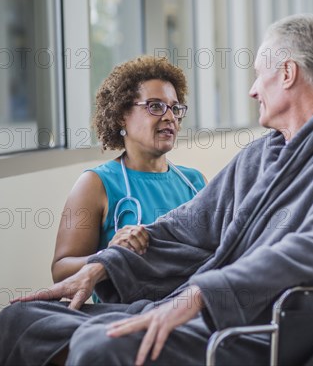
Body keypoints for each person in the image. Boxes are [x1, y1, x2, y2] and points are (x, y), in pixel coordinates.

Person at [0, 15, 313, 366]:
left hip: (260, 328)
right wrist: (103, 265)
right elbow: (188, 227)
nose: (251, 90)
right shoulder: (264, 153)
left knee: (102, 345)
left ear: (287, 73)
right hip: (207, 309)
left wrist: (201, 295)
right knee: (23, 319)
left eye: (257, 75)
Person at [51, 56, 206, 286]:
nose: (169, 117)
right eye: (155, 106)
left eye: (175, 108)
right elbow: (61, 272)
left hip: (187, 310)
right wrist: (110, 254)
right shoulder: (96, 184)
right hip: (125, 315)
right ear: (122, 115)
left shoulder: (194, 182)